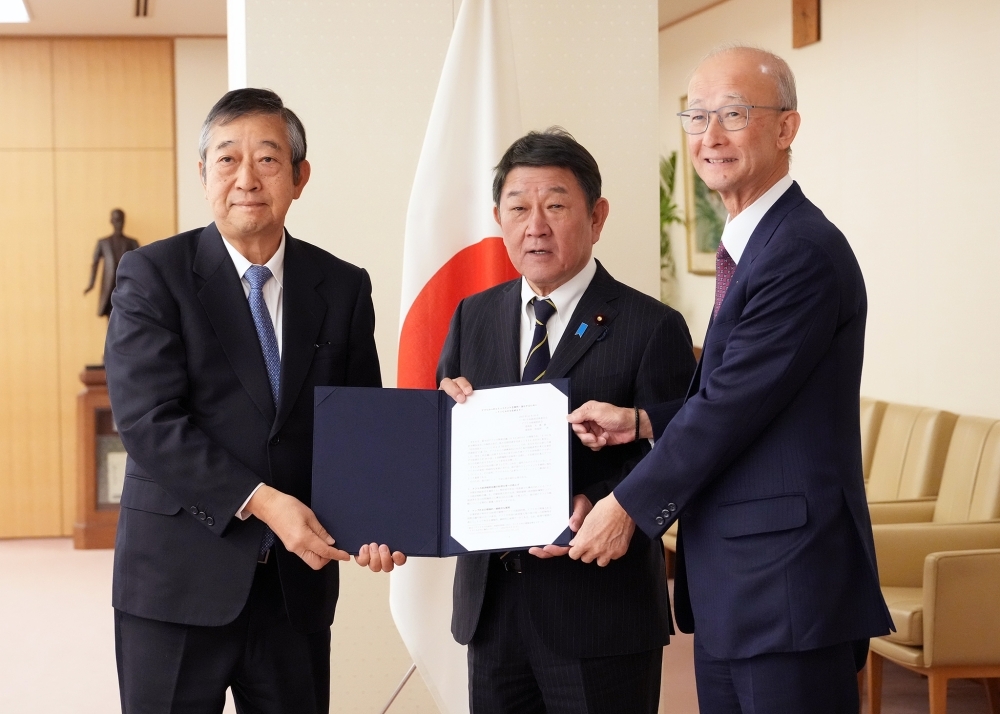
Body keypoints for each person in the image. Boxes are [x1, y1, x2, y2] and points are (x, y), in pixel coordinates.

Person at [566, 46, 893, 713]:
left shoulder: (798, 251)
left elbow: (730, 408)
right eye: (696, 116)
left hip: (786, 589)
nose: (709, 136)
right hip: (742, 591)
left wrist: (625, 506)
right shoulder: (758, 245)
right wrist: (643, 422)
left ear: (785, 128)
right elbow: (745, 394)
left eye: (733, 114)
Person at [105, 88, 403, 714]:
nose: (245, 178)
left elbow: (360, 426)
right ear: (203, 174)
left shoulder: (343, 286)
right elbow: (149, 423)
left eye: (267, 160)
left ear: (300, 178)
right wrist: (266, 504)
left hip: (295, 590)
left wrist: (379, 520)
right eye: (226, 159)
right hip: (177, 584)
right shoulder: (153, 275)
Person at [438, 128, 696, 714]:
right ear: (498, 217)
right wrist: (443, 415)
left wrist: (604, 503)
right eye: (519, 208)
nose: (536, 225)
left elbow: (679, 450)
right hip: (493, 609)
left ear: (597, 215)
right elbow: (447, 453)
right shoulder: (473, 316)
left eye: (556, 206)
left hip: (600, 611)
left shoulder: (651, 326)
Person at [84, 208, 139, 318]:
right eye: (116, 220)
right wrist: (91, 284)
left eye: (121, 220)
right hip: (109, 285)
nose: (118, 223)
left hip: (126, 285)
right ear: (111, 221)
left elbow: (140, 265)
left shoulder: (132, 242)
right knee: (110, 315)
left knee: (127, 315)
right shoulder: (103, 243)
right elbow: (95, 264)